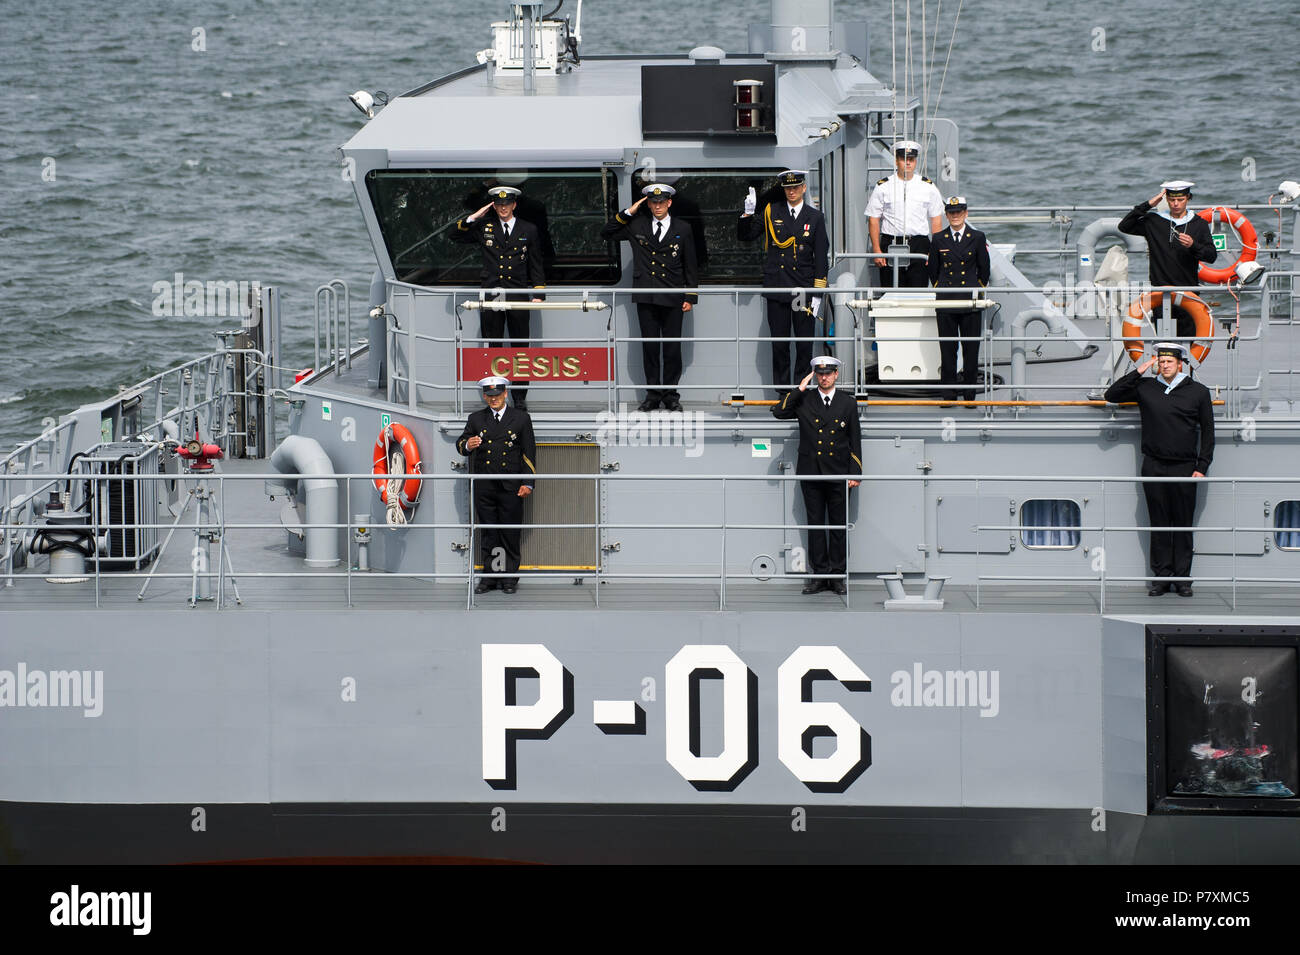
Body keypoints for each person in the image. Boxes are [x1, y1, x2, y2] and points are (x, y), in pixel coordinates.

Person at [1103, 342, 1215, 597]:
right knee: (1159, 522)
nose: (1165, 366)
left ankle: (1183, 580)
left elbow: (1208, 431)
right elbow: (1112, 394)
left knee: (1183, 524)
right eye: (1161, 362)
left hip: (1185, 466)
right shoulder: (1146, 388)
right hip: (1153, 464)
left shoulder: (1198, 392)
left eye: (1169, 362)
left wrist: (1202, 465)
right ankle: (1162, 578)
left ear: (1180, 364)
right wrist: (1139, 370)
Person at [601, 183, 698, 412]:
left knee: (672, 349)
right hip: (647, 296)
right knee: (650, 348)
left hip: (673, 295)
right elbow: (607, 233)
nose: (657, 206)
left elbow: (690, 264)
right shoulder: (637, 225)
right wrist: (629, 212)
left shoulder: (683, 228)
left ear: (669, 202)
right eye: (653, 202)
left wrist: (690, 296)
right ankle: (653, 395)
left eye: (661, 202)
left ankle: (671, 395)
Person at [771, 356, 862, 595]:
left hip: (839, 474)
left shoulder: (847, 403)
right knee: (815, 525)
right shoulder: (804, 400)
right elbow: (779, 412)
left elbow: (855, 440)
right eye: (819, 374)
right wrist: (799, 389)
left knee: (838, 526)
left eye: (828, 373)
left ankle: (837, 575)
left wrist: (856, 473)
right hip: (811, 473)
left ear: (836, 375)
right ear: (814, 375)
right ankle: (820, 575)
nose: (824, 377)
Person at [451, 186, 545, 410]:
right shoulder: (485, 227)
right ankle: (494, 392)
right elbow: (454, 235)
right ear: (494, 206)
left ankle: (520, 397)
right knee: (493, 344)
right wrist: (474, 217)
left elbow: (535, 262)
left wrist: (539, 292)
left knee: (520, 346)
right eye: (498, 204)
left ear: (514, 205)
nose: (502, 208)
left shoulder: (528, 229)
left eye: (506, 204)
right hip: (492, 293)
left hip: (517, 293)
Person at [738, 170, 830, 393]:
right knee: (779, 344)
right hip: (777, 286)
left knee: (804, 344)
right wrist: (747, 214)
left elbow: (820, 255)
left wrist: (818, 293)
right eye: (788, 188)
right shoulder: (772, 211)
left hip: (803, 288)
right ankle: (782, 392)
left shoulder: (814, 217)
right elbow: (746, 236)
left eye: (796, 187)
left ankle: (801, 391)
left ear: (804, 188)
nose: (792, 191)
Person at [455, 375, 537, 595]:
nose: (494, 399)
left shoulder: (520, 418)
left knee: (510, 533)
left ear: (505, 394)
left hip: (511, 486)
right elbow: (461, 445)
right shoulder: (476, 419)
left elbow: (529, 453)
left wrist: (528, 483)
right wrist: (468, 444)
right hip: (485, 486)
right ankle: (489, 578)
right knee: (489, 533)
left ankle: (509, 578)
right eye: (490, 396)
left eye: (497, 395)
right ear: (484, 396)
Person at [1117, 180, 1217, 342]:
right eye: (1172, 200)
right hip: (1160, 292)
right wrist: (1149, 204)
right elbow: (1124, 226)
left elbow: (1211, 256)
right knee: (1165, 346)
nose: (1176, 204)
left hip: (1188, 292)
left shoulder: (1199, 224)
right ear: (1166, 199)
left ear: (1188, 198)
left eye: (1180, 199)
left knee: (1188, 344)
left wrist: (1193, 245)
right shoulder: (1154, 221)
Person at [927, 196, 991, 403]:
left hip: (969, 302)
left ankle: (970, 394)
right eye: (951, 212)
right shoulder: (938, 238)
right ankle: (948, 394)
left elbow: (984, 268)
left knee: (971, 350)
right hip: (946, 301)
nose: (955, 216)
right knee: (948, 350)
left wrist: (977, 289)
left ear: (966, 213)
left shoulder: (978, 237)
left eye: (959, 212)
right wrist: (941, 289)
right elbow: (933, 271)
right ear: (946, 215)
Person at [865, 140, 945, 288]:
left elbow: (936, 221)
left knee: (918, 291)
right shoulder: (883, 186)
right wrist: (876, 250)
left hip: (919, 244)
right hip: (891, 243)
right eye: (903, 159)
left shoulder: (928, 186)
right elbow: (873, 219)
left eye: (911, 159)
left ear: (915, 161)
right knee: (890, 291)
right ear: (896, 161)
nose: (908, 163)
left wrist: (935, 251)